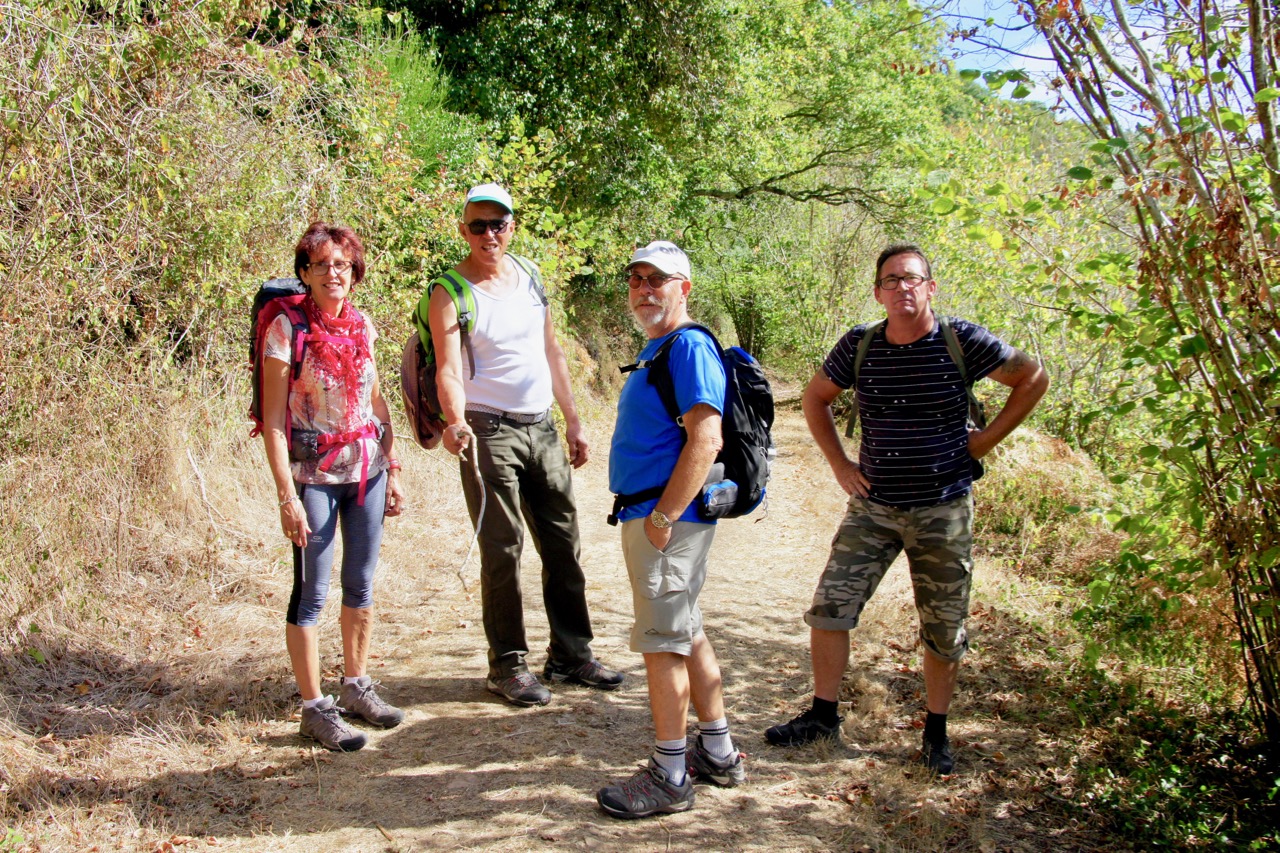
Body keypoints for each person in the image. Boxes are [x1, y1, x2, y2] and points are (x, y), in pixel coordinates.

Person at [764, 242, 1048, 774]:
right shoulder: (860, 344)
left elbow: (1033, 378)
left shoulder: (961, 339)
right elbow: (814, 398)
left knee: (943, 628)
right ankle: (823, 717)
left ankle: (935, 736)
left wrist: (983, 442)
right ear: (878, 292)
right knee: (830, 609)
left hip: (943, 508)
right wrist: (840, 465)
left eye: (913, 278)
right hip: (874, 506)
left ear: (931, 287)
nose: (903, 288)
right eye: (891, 280)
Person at [415, 183, 621, 707]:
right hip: (487, 430)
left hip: (542, 427)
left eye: (498, 224)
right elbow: (447, 367)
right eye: (478, 225)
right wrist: (455, 420)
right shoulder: (450, 290)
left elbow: (551, 349)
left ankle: (571, 656)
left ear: (512, 226)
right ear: (463, 230)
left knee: (563, 543)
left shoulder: (529, 275)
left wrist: (574, 420)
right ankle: (507, 665)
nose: (489, 234)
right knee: (502, 549)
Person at [596, 241, 745, 819]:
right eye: (635, 278)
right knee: (686, 631)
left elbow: (707, 439)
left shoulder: (686, 347)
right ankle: (718, 750)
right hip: (655, 515)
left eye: (657, 279)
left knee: (662, 644)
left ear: (684, 287)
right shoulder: (659, 348)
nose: (643, 288)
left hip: (665, 520)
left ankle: (670, 773)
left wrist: (662, 518)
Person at [261, 222, 406, 752]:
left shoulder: (363, 325)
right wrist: (285, 496)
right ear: (304, 274)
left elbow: (374, 399)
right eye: (320, 265)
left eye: (341, 264)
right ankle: (313, 708)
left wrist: (392, 463)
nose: (332, 273)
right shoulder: (286, 331)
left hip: (365, 472)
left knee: (360, 584)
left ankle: (355, 687)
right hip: (313, 478)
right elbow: (273, 422)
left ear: (354, 272)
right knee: (311, 593)